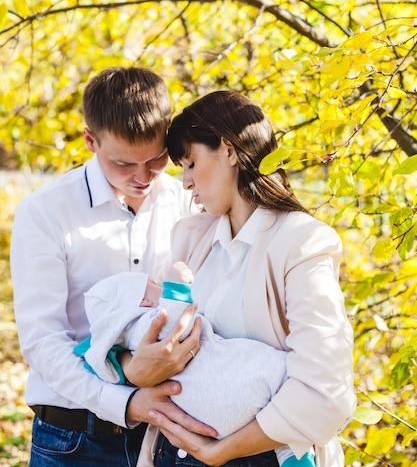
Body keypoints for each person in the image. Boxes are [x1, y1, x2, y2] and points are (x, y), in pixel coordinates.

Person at [124, 90, 355, 467]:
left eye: (191, 163)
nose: (185, 182)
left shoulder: (303, 243)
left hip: (257, 456)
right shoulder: (189, 236)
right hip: (173, 453)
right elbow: (151, 328)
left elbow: (325, 390)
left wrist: (221, 451)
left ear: (229, 150)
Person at [9, 66, 214, 467]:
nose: (142, 177)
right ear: (90, 140)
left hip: (173, 436)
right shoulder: (45, 213)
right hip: (74, 440)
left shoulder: (191, 203)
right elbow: (44, 341)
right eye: (123, 164)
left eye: (156, 159)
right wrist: (127, 402)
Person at [74, 263, 315, 466]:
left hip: (211, 421)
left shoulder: (128, 348)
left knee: (275, 418)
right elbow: (174, 326)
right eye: (155, 285)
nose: (161, 287)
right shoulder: (143, 323)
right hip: (237, 388)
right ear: (145, 301)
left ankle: (291, 454)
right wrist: (176, 285)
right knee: (281, 375)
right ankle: (295, 450)